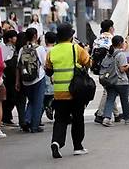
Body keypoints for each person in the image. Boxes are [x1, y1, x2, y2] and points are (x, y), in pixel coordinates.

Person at [45, 23, 91, 158]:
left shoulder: (52, 51)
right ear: (71, 36)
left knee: (60, 120)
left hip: (59, 93)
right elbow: (88, 62)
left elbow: (48, 70)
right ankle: (78, 146)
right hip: (75, 92)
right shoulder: (75, 48)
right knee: (77, 119)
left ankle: (56, 142)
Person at [16, 27, 48, 133]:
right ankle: (34, 126)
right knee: (38, 102)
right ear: (35, 36)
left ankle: (26, 120)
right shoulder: (39, 49)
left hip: (25, 80)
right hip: (38, 79)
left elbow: (18, 66)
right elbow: (45, 64)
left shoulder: (22, 49)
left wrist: (18, 82)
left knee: (32, 101)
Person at [101, 35, 129, 127]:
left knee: (110, 99)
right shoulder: (121, 55)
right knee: (124, 100)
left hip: (110, 81)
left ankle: (106, 118)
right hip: (121, 81)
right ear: (120, 43)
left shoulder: (109, 54)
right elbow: (122, 69)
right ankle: (127, 118)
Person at [92, 20, 120, 124]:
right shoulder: (112, 39)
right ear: (111, 28)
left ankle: (116, 114)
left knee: (110, 90)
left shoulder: (97, 39)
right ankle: (100, 114)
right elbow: (117, 54)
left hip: (99, 68)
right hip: (110, 69)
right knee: (108, 91)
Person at [42, 31, 57, 121]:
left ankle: (47, 107)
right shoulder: (56, 50)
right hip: (54, 75)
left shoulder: (42, 49)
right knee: (54, 95)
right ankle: (51, 106)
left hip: (44, 75)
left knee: (44, 96)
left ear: (46, 40)